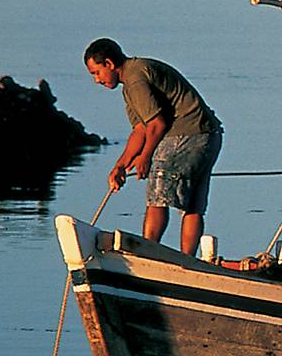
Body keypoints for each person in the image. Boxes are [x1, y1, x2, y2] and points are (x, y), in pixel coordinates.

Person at [84, 38, 223, 256]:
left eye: (96, 72)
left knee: (157, 196)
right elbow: (140, 129)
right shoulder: (131, 83)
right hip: (209, 135)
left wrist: (145, 157)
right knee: (193, 206)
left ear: (109, 64)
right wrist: (121, 165)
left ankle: (147, 254)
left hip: (187, 134)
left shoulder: (135, 79)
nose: (96, 80)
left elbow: (157, 124)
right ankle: (188, 261)